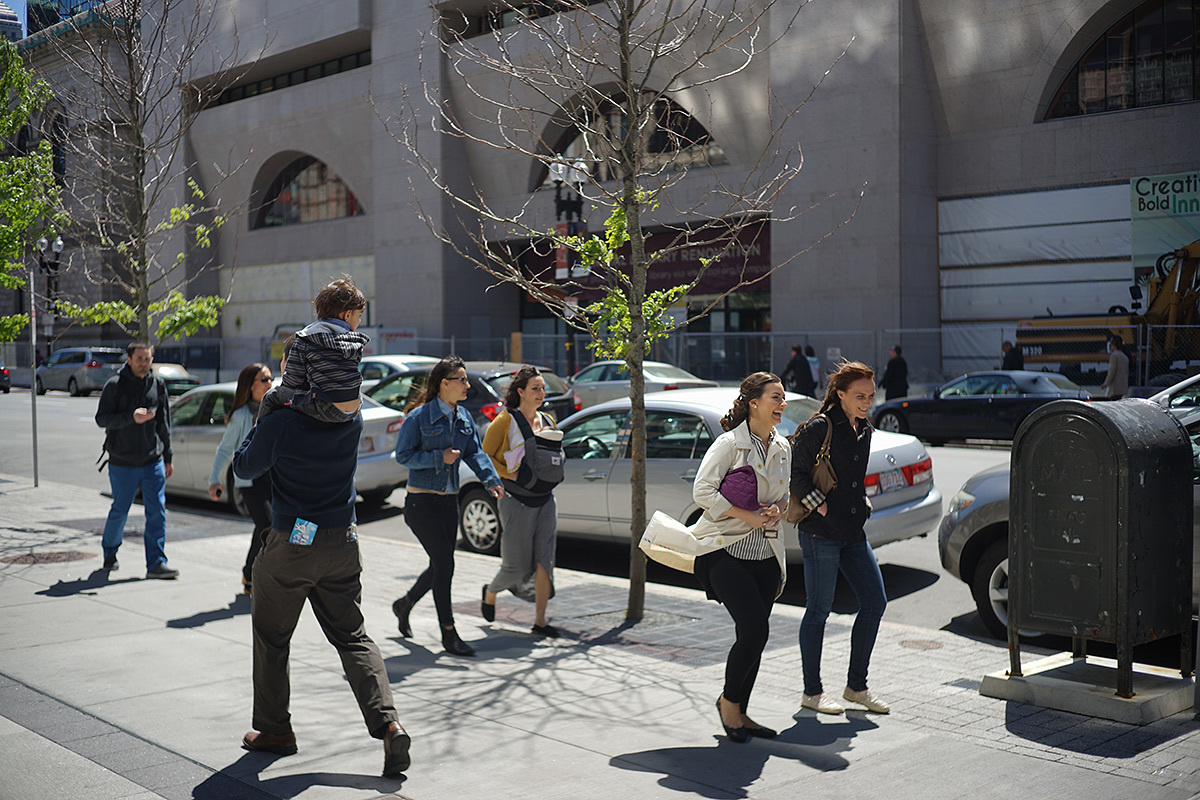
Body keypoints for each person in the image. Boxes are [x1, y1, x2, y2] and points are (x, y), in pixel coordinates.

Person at [231, 373, 410, 776]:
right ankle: (389, 724)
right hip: (343, 539)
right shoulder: (353, 416)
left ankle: (277, 731)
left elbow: (245, 465)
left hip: (294, 541)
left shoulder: (281, 420)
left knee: (272, 637)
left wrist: (265, 414)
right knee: (353, 636)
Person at [691, 372, 791, 742]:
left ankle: (741, 711)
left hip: (765, 553)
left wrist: (779, 507)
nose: (782, 405)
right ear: (754, 403)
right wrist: (745, 514)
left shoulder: (783, 447)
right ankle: (729, 704)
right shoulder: (729, 444)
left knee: (754, 636)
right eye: (775, 398)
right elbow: (702, 491)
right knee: (755, 630)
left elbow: (785, 492)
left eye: (783, 399)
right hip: (725, 551)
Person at [791, 361, 890, 716]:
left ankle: (856, 687)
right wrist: (822, 509)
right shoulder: (822, 426)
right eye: (860, 396)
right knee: (819, 609)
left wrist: (859, 499)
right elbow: (796, 474)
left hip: (852, 532)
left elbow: (851, 476)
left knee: (875, 602)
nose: (866, 401)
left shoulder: (864, 428)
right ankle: (812, 692)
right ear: (841, 394)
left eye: (871, 396)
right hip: (821, 534)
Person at [391, 356, 504, 657]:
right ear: (444, 384)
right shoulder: (418, 418)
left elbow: (476, 454)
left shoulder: (463, 417)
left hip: (449, 501)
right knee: (445, 564)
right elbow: (402, 456)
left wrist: (490, 480)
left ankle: (404, 604)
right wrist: (438, 457)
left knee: (441, 564)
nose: (468, 385)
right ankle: (448, 633)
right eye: (462, 380)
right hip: (421, 502)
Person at [480, 366, 562, 637]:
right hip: (516, 501)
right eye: (535, 388)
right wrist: (508, 473)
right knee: (516, 567)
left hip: (546, 502)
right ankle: (491, 592)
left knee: (544, 563)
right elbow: (485, 457)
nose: (541, 393)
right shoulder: (505, 421)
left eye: (542, 388)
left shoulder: (548, 420)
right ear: (521, 392)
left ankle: (540, 622)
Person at [94, 342, 177, 579]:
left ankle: (156, 563)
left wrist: (168, 457)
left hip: (152, 461)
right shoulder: (114, 386)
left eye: (148, 359)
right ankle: (110, 552)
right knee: (120, 510)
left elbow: (164, 424)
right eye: (139, 358)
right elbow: (102, 419)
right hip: (122, 461)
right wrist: (131, 418)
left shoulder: (157, 385)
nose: (144, 363)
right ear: (129, 359)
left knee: (157, 511)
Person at [258, 278, 369, 423]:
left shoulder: (305, 338)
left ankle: (257, 430)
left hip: (325, 407)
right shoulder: (356, 342)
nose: (359, 321)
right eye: (359, 316)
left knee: (270, 396)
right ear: (347, 315)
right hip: (355, 407)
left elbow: (292, 381)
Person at [208, 362, 274, 595]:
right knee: (267, 526)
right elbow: (225, 449)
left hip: (273, 479)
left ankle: (257, 574)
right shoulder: (240, 415)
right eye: (264, 380)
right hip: (251, 481)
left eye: (270, 378)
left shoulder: (274, 408)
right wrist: (214, 480)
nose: (270, 383)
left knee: (270, 527)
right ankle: (251, 573)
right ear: (250, 385)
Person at [1100, 334, 1130, 399]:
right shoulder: (1124, 356)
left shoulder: (1114, 356)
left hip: (1115, 388)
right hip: (1123, 387)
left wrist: (1105, 384)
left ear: (1114, 345)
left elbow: (1111, 372)